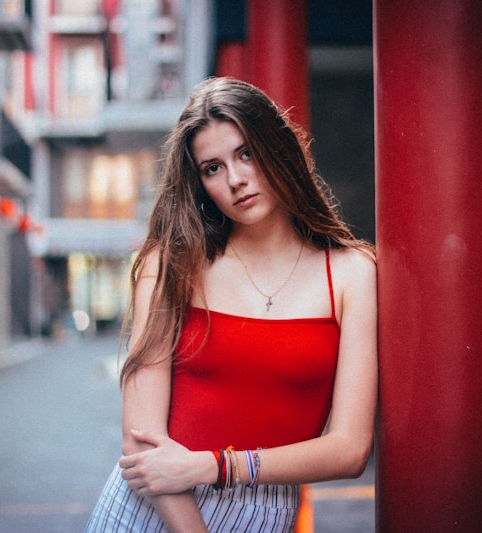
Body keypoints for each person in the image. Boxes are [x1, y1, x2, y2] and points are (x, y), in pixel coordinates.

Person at [85, 77, 377, 533]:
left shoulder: (350, 272)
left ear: (277, 147)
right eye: (212, 168)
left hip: (259, 511)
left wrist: (215, 467)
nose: (236, 179)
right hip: (155, 508)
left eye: (246, 153)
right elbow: (141, 442)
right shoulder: (171, 264)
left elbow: (351, 449)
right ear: (199, 183)